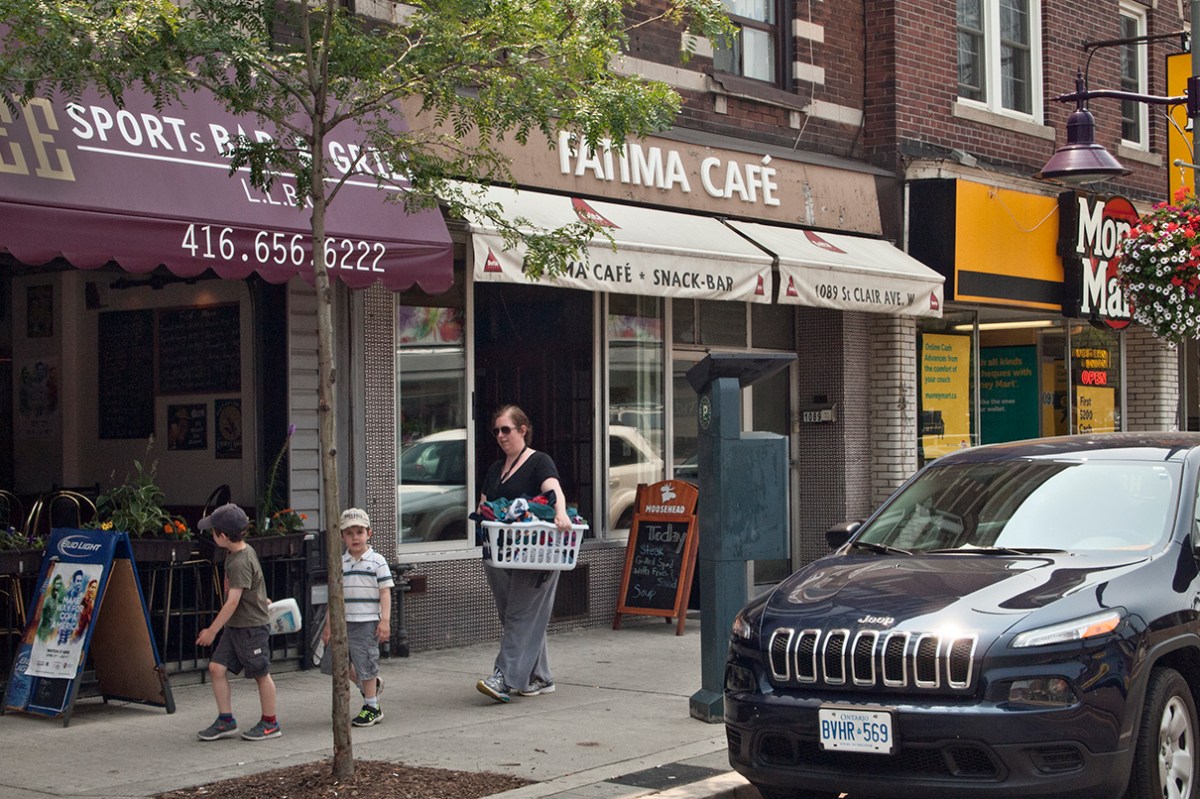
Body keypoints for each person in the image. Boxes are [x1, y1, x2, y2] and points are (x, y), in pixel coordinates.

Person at [475, 405, 573, 703]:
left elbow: (553, 489)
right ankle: (539, 676)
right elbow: (483, 504)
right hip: (500, 552)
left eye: (506, 429)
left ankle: (504, 678)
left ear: (522, 430)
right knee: (517, 617)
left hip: (536, 552)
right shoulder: (495, 469)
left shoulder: (538, 461)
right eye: (496, 431)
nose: (501, 436)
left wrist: (560, 514)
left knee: (520, 615)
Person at [195, 503, 280, 742]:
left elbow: (233, 601)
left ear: (223, 536)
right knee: (216, 668)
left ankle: (270, 722)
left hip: (250, 627)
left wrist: (212, 630)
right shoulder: (236, 553)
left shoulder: (240, 560)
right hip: (236, 626)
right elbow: (253, 585)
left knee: (261, 673)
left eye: (213, 532)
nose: (211, 535)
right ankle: (226, 720)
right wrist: (260, 597)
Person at [320, 507, 393, 727]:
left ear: (369, 533)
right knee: (335, 662)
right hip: (344, 622)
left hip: (367, 621)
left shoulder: (377, 561)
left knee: (365, 661)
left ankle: (372, 706)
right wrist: (328, 625)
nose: (355, 537)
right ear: (342, 536)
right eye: (349, 533)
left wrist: (385, 620)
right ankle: (367, 686)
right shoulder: (340, 564)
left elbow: (385, 591)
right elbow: (335, 597)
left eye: (359, 532)